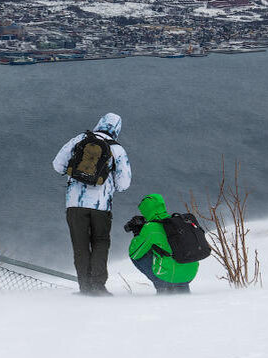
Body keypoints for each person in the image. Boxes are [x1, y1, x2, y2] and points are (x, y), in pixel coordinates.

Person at [52, 113, 131, 295]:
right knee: (100, 242)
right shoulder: (117, 149)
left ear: (99, 123)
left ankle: (85, 288)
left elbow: (58, 165)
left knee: (80, 245)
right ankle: (98, 286)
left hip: (74, 205)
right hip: (101, 206)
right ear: (117, 128)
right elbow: (124, 184)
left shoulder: (80, 139)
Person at [127, 193, 198, 294]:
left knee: (139, 255)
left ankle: (163, 288)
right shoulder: (179, 222)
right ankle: (182, 289)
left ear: (146, 210)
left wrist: (137, 234)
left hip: (168, 276)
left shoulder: (151, 228)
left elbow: (134, 253)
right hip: (189, 274)